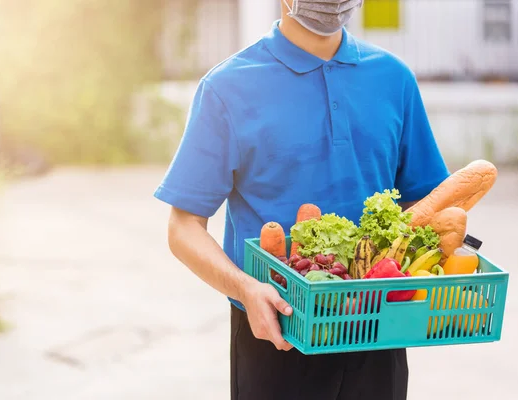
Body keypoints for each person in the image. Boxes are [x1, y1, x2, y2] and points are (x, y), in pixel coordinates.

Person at [154, 1, 450, 399]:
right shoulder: (228, 88)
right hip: (276, 332)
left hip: (377, 330)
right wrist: (245, 289)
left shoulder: (394, 79)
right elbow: (183, 226)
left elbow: (427, 204)